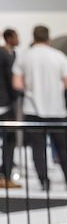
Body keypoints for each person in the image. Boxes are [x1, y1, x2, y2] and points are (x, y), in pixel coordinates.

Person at [12, 25, 67, 192]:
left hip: (33, 110)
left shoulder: (25, 57)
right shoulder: (58, 56)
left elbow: (17, 83)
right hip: (57, 110)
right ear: (49, 38)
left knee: (38, 150)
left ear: (33, 37)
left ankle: (44, 181)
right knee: (63, 149)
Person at [0, 28, 17, 189]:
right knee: (9, 140)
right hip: (5, 103)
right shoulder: (6, 55)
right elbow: (11, 79)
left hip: (5, 102)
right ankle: (5, 174)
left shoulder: (8, 53)